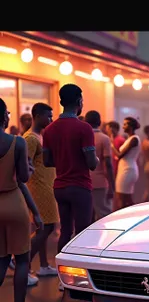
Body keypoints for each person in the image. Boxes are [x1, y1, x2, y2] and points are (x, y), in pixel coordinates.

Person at [0, 98, 44, 302]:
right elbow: (23, 178)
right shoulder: (17, 142)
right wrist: (29, 168)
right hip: (14, 203)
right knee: (22, 261)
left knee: (0, 260)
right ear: (3, 117)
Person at [43, 84, 98, 257]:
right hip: (80, 187)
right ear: (79, 101)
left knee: (65, 232)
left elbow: (47, 161)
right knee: (82, 232)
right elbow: (92, 164)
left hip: (60, 187)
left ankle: (62, 271)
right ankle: (80, 273)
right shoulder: (84, 128)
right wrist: (94, 158)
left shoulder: (49, 129)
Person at [24, 102, 59, 278]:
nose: (51, 119)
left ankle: (44, 265)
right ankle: (23, 263)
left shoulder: (40, 136)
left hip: (46, 185)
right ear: (37, 116)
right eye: (48, 116)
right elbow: (24, 164)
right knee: (47, 227)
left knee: (43, 227)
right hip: (39, 188)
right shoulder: (30, 138)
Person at [85, 111, 115, 220]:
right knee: (104, 214)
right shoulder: (104, 138)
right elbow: (108, 163)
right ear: (99, 122)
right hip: (100, 181)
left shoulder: (82, 137)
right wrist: (112, 184)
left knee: (88, 215)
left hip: (84, 181)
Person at [111, 117, 140, 209]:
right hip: (125, 169)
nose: (123, 127)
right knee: (126, 198)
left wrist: (111, 145)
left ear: (131, 126)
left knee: (122, 198)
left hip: (128, 170)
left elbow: (120, 155)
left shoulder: (134, 139)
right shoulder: (129, 138)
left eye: (125, 124)